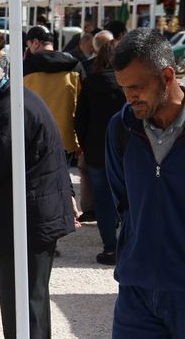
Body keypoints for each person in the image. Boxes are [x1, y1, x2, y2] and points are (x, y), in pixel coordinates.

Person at [0, 51, 78, 339]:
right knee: (25, 304)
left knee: (24, 306)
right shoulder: (11, 102)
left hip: (25, 219)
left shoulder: (11, 107)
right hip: (24, 215)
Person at [105, 28, 185, 337]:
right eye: (123, 87)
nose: (128, 96)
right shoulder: (121, 127)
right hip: (135, 293)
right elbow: (122, 202)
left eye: (136, 87)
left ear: (167, 76)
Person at [74, 37, 125, 265]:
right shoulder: (129, 84)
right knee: (129, 199)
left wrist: (84, 144)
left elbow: (80, 119)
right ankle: (128, 246)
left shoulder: (91, 82)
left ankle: (111, 248)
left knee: (103, 201)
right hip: (127, 149)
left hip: (96, 150)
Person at [24, 25, 84, 164]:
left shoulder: (25, 68)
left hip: (35, 136)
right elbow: (83, 104)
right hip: (66, 137)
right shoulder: (75, 66)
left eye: (28, 45)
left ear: (36, 43)